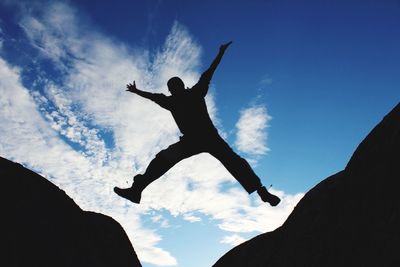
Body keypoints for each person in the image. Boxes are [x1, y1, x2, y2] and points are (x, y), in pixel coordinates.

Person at [114, 42, 280, 206]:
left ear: (180, 86)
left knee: (234, 162)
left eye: (174, 87)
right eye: (171, 88)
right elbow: (154, 96)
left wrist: (220, 53)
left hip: (205, 138)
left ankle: (261, 191)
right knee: (162, 159)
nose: (173, 90)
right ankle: (136, 190)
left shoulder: (190, 94)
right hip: (195, 140)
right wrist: (137, 91)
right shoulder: (177, 99)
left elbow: (209, 71)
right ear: (172, 90)